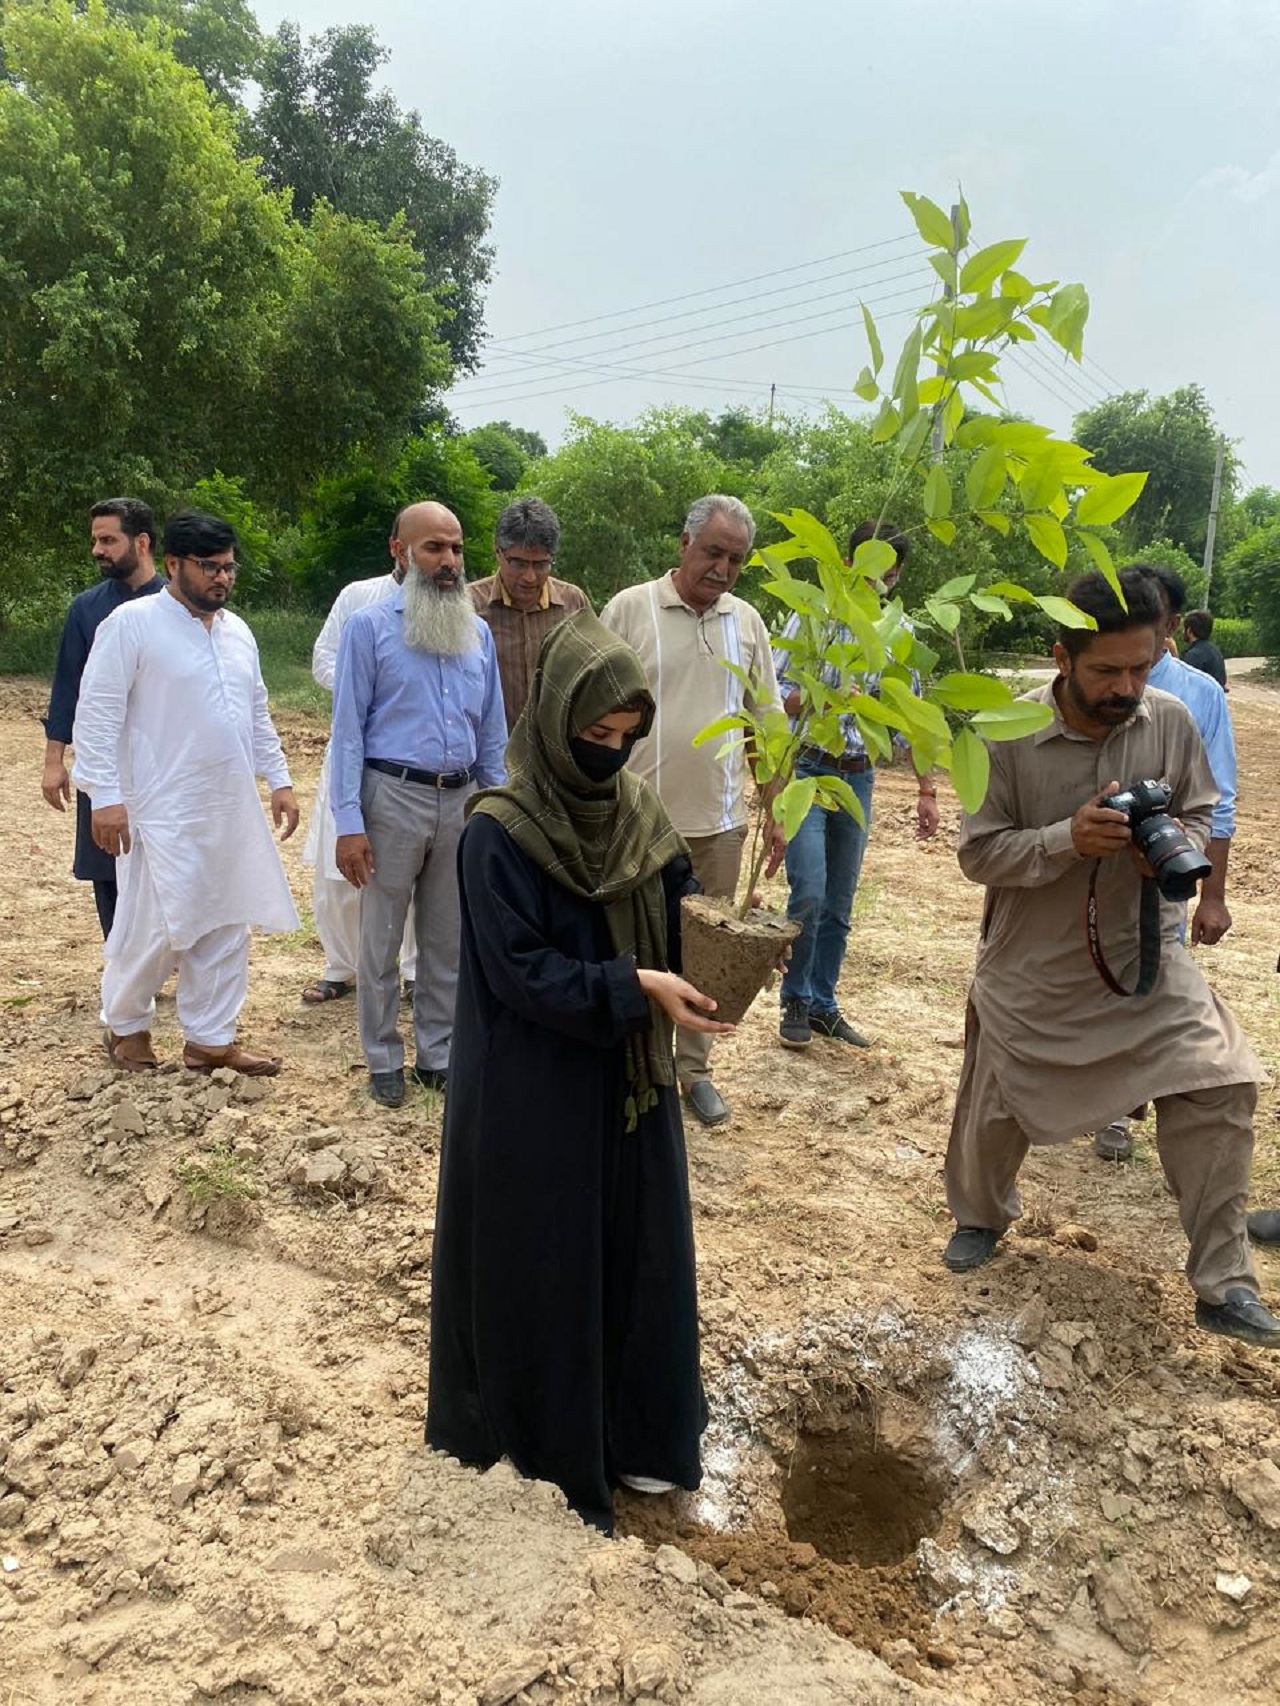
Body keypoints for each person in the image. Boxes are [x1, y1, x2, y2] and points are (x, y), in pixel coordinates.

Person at [427, 611, 727, 1533]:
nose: (611, 751)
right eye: (596, 732)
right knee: (550, 1265)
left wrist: (726, 940)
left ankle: (639, 1438)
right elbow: (521, 975)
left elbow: (678, 901)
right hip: (536, 1092)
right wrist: (634, 984)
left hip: (628, 1082)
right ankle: (552, 1450)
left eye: (627, 735)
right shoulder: (499, 835)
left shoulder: (638, 812)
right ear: (556, 718)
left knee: (637, 1254)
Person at [941, 567, 1279, 1348]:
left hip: (1146, 955)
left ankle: (1225, 1283)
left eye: (1142, 667)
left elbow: (1199, 812)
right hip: (1034, 959)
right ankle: (980, 1217)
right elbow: (978, 853)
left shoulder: (1171, 720)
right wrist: (1065, 839)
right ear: (1061, 657)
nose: (1126, 688)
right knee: (995, 1106)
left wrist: (1172, 848)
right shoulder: (1004, 731)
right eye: (1106, 671)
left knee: (1221, 1081)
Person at [71, 510, 299, 1076]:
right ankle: (126, 1025)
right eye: (209, 567)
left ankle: (210, 1040)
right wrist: (105, 796)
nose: (222, 578)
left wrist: (280, 779)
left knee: (226, 919)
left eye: (229, 567)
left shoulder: (238, 631)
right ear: (172, 563)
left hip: (228, 806)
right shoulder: (132, 624)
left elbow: (256, 712)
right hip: (157, 808)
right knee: (151, 927)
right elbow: (97, 714)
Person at [599, 494, 783, 1128]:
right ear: (684, 544)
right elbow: (595, 706)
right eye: (713, 552)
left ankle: (695, 1070)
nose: (723, 569)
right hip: (634, 824)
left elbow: (765, 724)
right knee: (633, 946)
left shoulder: (747, 622)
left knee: (712, 956)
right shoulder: (631, 609)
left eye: (736, 559)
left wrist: (776, 811)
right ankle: (632, 1062)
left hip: (720, 827)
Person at [330, 501, 507, 1108]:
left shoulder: (477, 632)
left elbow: (492, 732)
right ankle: (383, 1057)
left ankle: (438, 1054)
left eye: (456, 548)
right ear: (400, 551)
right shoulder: (369, 628)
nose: (449, 560)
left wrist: (497, 808)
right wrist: (348, 824)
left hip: (461, 800)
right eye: (434, 548)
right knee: (380, 940)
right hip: (391, 797)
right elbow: (347, 734)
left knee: (447, 938)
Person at [773, 521, 940, 1051]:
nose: (878, 584)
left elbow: (911, 718)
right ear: (848, 564)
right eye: (872, 572)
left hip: (858, 774)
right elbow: (772, 695)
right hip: (808, 769)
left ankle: (823, 1004)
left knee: (840, 902)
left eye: (889, 577)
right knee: (810, 890)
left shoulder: (898, 632)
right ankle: (794, 998)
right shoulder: (813, 618)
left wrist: (926, 789)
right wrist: (819, 697)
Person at [1092, 564, 1238, 1161]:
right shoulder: (1094, 682)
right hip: (1084, 872)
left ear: (1170, 624)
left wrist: (1212, 894)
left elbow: (1216, 803)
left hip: (1159, 879)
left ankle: (1120, 1110)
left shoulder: (1198, 697)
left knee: (1145, 986)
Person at [301, 516, 416, 1006]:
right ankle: (341, 967)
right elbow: (323, 658)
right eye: (426, 546)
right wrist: (365, 686)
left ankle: (414, 972)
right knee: (340, 865)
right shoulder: (358, 597)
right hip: (356, 743)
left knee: (414, 867)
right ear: (397, 548)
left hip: (413, 759)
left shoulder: (453, 608)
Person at [42, 498, 166, 940]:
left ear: (142, 542)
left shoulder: (178, 605)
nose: (98, 550)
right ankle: (120, 960)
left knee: (167, 868)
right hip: (104, 762)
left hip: (164, 762)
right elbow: (67, 687)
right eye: (96, 540)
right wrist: (54, 761)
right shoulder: (86, 609)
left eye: (108, 540)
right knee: (107, 867)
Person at [468, 496, 591, 730]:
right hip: (492, 748)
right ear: (498, 552)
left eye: (541, 564)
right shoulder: (470, 606)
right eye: (519, 564)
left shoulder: (573, 603)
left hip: (556, 747)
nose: (530, 577)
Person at [1181, 609, 1228, 690]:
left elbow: (1182, 682)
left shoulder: (1194, 655)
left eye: (1184, 629)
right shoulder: (1215, 651)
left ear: (1189, 630)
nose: (1182, 632)